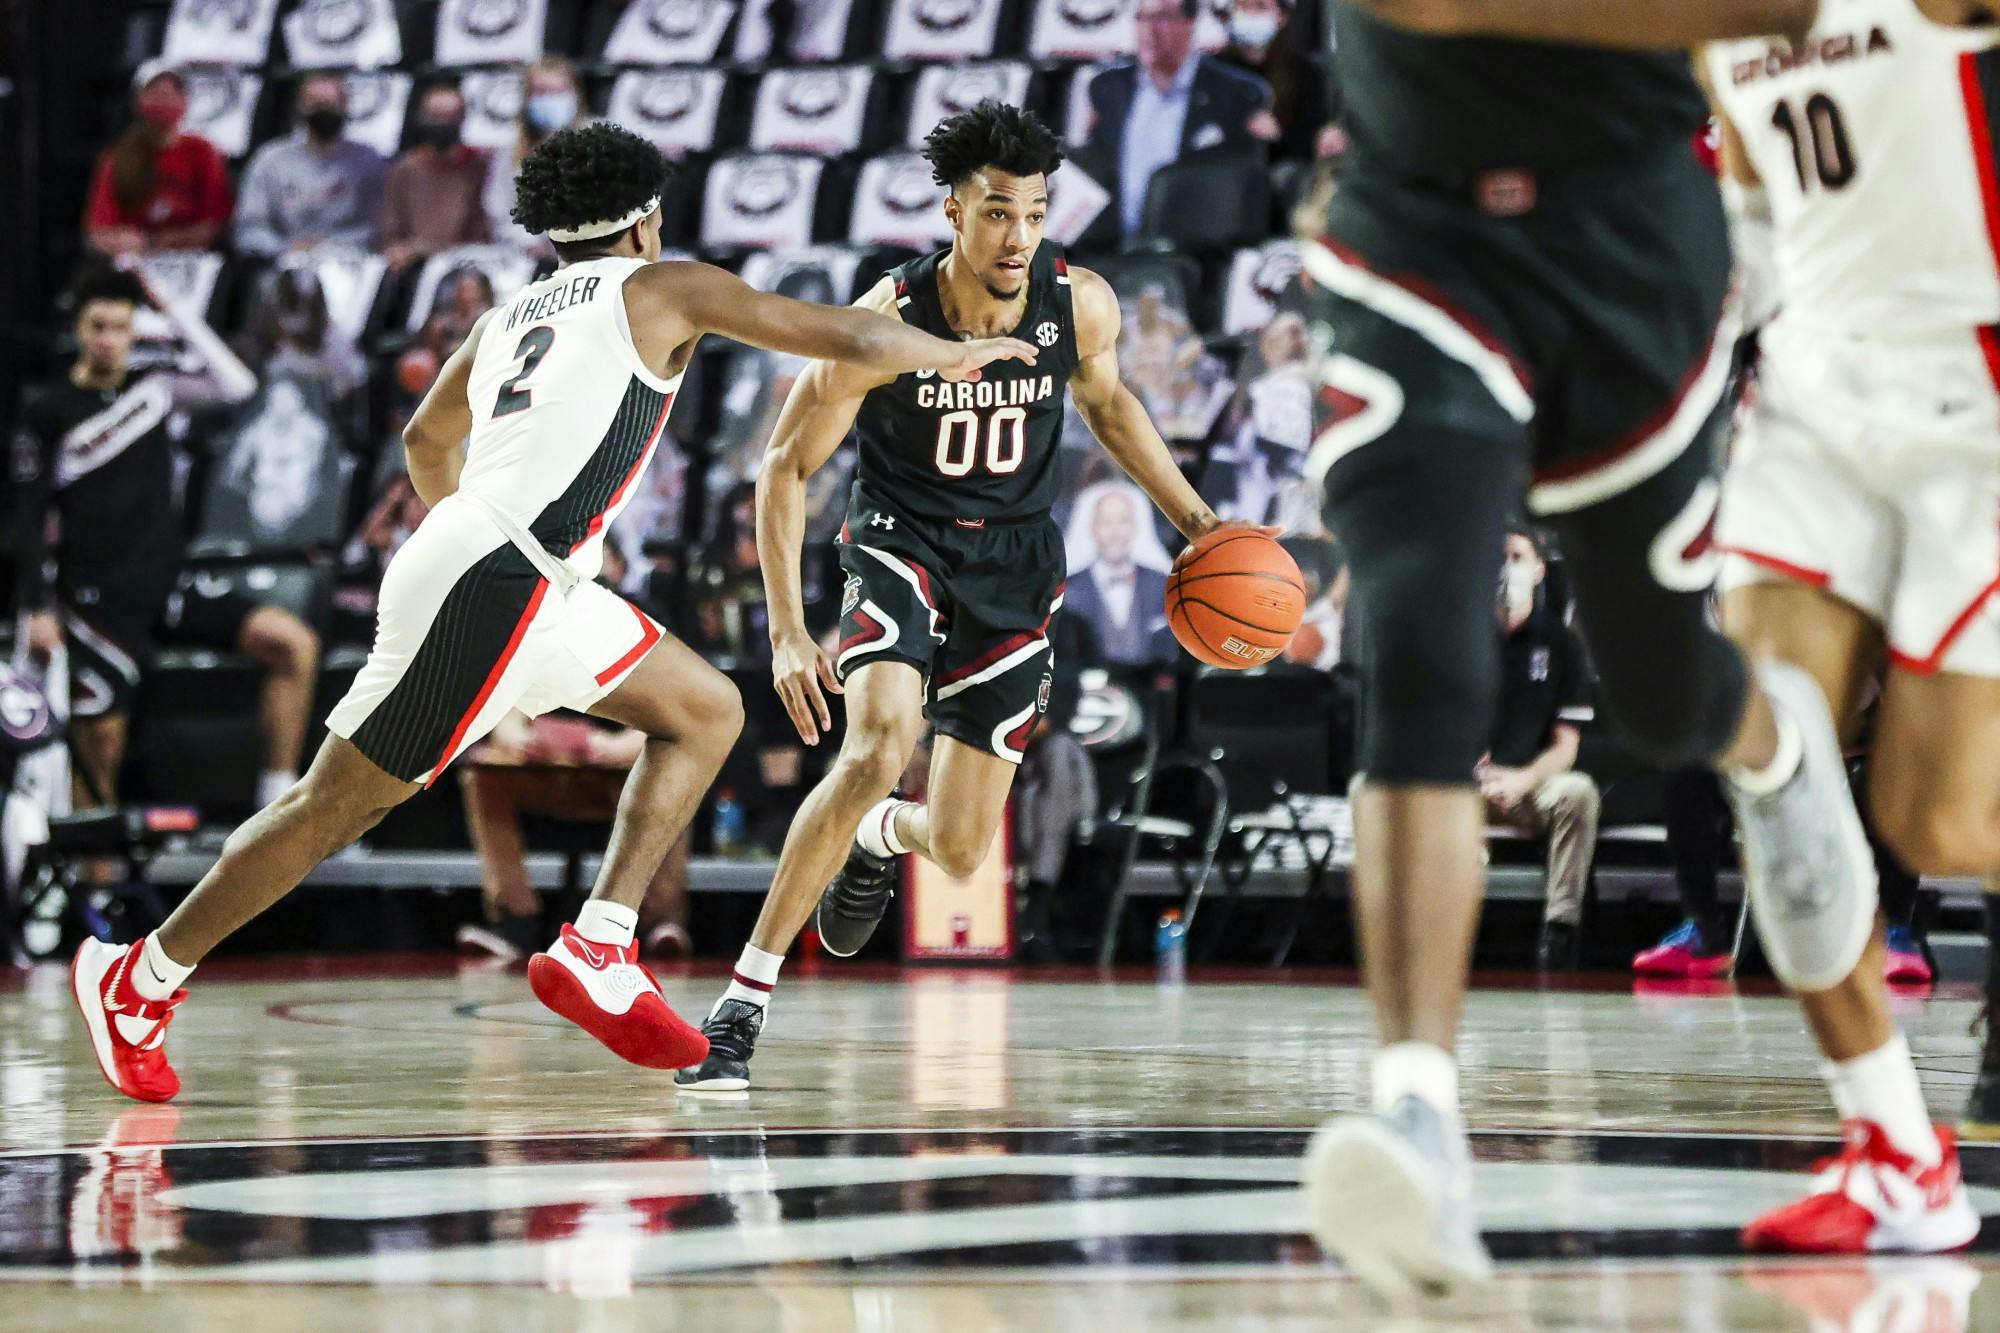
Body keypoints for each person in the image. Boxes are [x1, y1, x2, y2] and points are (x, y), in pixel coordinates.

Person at [67, 122, 1039, 1105]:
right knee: (333, 806)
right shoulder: (660, 286)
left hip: (519, 573)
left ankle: (598, 943)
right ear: (645, 223)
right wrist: (957, 351)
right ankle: (138, 977)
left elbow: (421, 440)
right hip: (496, 579)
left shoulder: (508, 313)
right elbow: (845, 333)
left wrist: (486, 531)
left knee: (703, 709)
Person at [1295, 0, 1898, 1300]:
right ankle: (1418, 1119)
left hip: (1632, 239)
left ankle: (1775, 741)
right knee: (1420, 639)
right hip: (1414, 237)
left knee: (1662, 697)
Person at [675, 103, 1267, 1091]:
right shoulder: (885, 319)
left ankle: (876, 837)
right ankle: (741, 1005)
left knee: (954, 845)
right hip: (900, 546)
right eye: (997, 213)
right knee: (874, 746)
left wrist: (1198, 525)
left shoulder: (1077, 304)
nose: (1018, 236)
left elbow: (1110, 406)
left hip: (1015, 570)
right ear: (952, 211)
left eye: (1033, 213)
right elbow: (782, 467)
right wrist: (786, 629)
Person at [1703, 0, 2000, 1251]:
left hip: (1968, 393)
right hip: (1812, 397)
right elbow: (1753, 231)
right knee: (1770, 749)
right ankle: (1892, 1147)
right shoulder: (1709, 27)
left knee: (1931, 823)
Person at [8, 267, 318, 816]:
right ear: (78, 329)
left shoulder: (154, 391)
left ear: (136, 332)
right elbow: (26, 519)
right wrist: (35, 606)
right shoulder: (47, 411)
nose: (108, 338)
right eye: (97, 326)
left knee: (292, 643)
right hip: (97, 605)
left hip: (169, 585)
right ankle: (95, 890)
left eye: (120, 327)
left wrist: (170, 308)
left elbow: (238, 384)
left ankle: (279, 808)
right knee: (100, 750)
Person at [457, 710, 692, 962]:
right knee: (480, 774)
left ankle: (657, 922)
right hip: (548, 768)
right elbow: (510, 715)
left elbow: (671, 717)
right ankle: (515, 922)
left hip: (622, 775)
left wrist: (620, 746)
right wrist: (521, 741)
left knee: (671, 778)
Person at [1482, 527, 1600, 972]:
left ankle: (1560, 932)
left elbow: (1565, 746)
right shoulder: (1462, 639)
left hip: (1529, 785)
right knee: (1430, 796)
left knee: (1578, 792)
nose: (1505, 567)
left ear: (1537, 570)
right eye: (1498, 557)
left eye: (1516, 557)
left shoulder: (1562, 645)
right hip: (1465, 785)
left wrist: (1522, 779)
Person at [1081, 0, 1273, 239]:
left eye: (1162, 17)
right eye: (1142, 17)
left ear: (1190, 23)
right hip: (1114, 250)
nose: (1149, 29)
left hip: (1196, 250)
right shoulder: (1108, 89)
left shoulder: (1237, 93)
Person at [83, 61, 231, 257]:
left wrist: (159, 242)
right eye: (155, 93)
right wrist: (125, 244)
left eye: (172, 93)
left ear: (185, 100)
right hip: (130, 262)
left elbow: (214, 224)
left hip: (190, 260)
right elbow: (98, 232)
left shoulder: (202, 152)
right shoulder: (118, 157)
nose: (164, 101)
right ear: (138, 100)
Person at [233, 72, 387, 259]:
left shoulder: (368, 160)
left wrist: (329, 248)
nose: (324, 112)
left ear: (346, 106)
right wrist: (286, 248)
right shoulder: (271, 160)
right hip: (282, 263)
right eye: (316, 104)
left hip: (351, 263)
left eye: (331, 105)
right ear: (299, 108)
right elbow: (249, 229)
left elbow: (380, 227)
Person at [379, 81, 490, 272]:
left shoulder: (478, 168)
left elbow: (483, 233)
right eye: (436, 117)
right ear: (421, 118)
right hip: (411, 267)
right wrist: (398, 250)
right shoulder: (405, 170)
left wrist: (442, 251)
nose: (443, 124)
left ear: (463, 119)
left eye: (451, 117)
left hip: (465, 267)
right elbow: (389, 231)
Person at [1062, 482, 1173, 669]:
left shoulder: (1162, 585)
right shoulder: (1068, 590)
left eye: (1123, 521)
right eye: (1105, 522)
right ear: (1092, 528)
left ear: (1137, 526)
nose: (1115, 532)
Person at [1215, 0, 1339, 164]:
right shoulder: (1216, 67)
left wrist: (1276, 135)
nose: (1249, 15)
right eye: (1242, 6)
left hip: (1281, 175)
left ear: (1282, 16)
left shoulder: (1305, 73)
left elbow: (1311, 142)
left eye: (1260, 7)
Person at [488, 57, 589, 256]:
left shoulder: (604, 142)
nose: (549, 100)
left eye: (557, 92)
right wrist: (527, 241)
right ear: (527, 98)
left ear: (575, 94)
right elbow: (498, 209)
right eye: (541, 92)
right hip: (528, 258)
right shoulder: (509, 151)